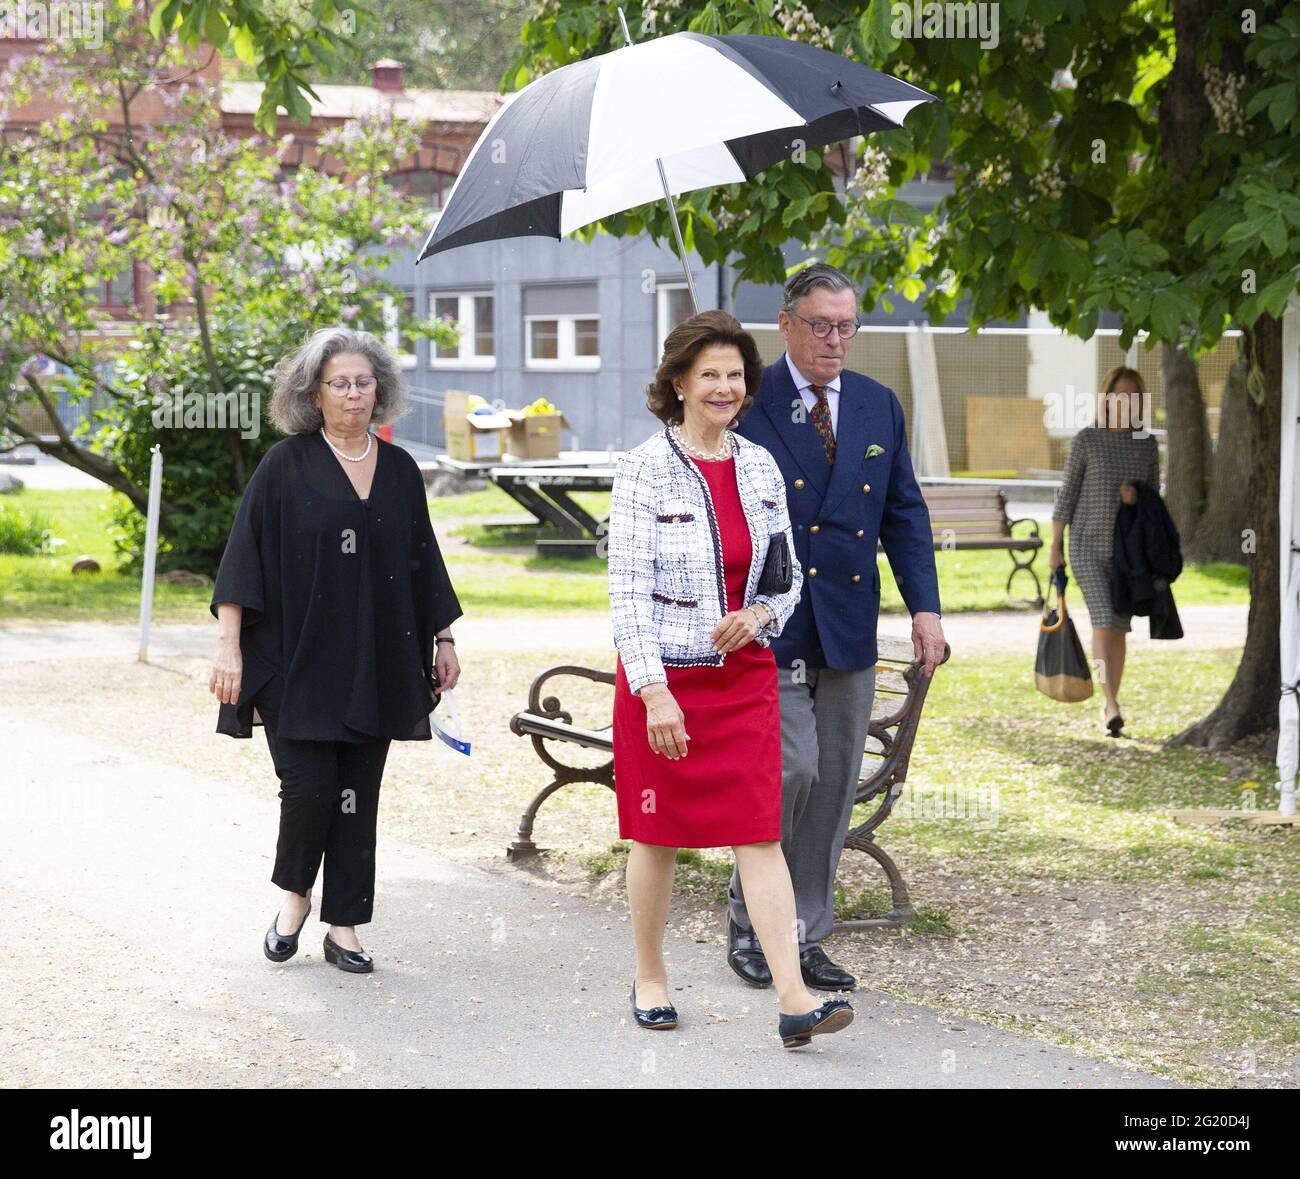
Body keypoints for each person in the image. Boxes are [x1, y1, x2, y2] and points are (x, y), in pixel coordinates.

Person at [608, 309, 855, 1048]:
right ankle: (650, 975)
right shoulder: (643, 468)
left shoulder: (759, 465)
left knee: (758, 831)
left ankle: (793, 997)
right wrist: (653, 691)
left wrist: (759, 615)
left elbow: (786, 577)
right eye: (709, 373)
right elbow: (626, 591)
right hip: (665, 683)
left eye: (736, 375)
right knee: (657, 834)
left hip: (743, 676)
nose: (724, 387)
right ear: (678, 382)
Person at [208, 326, 463, 973]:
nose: (353, 393)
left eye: (363, 382)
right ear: (313, 394)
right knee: (311, 788)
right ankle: (295, 896)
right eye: (339, 383)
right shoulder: (284, 466)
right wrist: (228, 647)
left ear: (380, 390)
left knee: (358, 793)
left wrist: (444, 636)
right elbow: (243, 559)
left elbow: (422, 560)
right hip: (294, 662)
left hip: (375, 661)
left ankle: (344, 923)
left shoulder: (401, 470)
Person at [727, 262, 945, 992]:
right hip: (771, 626)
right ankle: (751, 914)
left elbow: (904, 513)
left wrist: (926, 608)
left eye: (846, 325)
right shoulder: (745, 402)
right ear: (785, 324)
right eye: (819, 324)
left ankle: (804, 933)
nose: (834, 339)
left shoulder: (879, 405)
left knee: (834, 784)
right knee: (793, 769)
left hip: (849, 623)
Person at [1050, 366, 1160, 736]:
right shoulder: (1087, 440)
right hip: (1085, 545)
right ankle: (1110, 702)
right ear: (1107, 398)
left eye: (1132, 395)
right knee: (1102, 619)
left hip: (1127, 554)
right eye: (1118, 394)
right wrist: (1055, 546)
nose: (1124, 401)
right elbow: (1067, 494)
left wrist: (1137, 496)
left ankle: (1110, 700)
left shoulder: (1146, 444)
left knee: (1119, 628)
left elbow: (1155, 501)